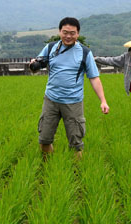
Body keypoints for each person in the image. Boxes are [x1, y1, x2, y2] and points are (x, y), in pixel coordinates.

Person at [30, 17, 109, 159]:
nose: (68, 36)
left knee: (76, 142)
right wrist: (33, 64)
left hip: (73, 102)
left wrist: (103, 100)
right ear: (59, 31)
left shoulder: (85, 53)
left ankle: (76, 172)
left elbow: (94, 78)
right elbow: (37, 65)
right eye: (65, 32)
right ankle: (50, 167)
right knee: (44, 139)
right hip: (51, 99)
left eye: (72, 33)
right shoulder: (50, 47)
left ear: (77, 34)